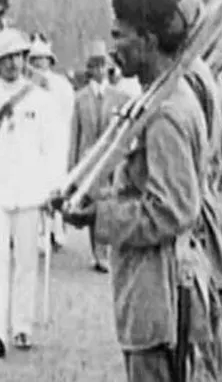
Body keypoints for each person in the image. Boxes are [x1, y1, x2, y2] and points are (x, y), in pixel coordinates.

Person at [63, 0, 208, 382]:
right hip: (150, 290)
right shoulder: (159, 98)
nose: (113, 47)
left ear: (146, 40)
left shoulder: (165, 114)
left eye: (119, 35)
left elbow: (173, 210)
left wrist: (99, 217)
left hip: (158, 294)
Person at [0, 28, 59, 357]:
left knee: (26, 261)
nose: (13, 64)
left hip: (30, 190)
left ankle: (22, 326)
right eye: (6, 59)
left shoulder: (40, 99)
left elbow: (52, 148)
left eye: (18, 56)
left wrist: (52, 187)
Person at [68, 40, 132, 273]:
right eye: (94, 65)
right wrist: (72, 169)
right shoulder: (80, 98)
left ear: (108, 68)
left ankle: (106, 251)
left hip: (111, 161)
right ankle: (98, 253)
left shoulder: (120, 97)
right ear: (89, 69)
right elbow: (75, 134)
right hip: (88, 162)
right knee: (92, 207)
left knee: (109, 204)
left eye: (102, 65)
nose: (98, 70)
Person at [28, 33, 75, 249]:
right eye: (35, 59)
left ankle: (57, 230)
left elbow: (66, 111)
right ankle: (37, 233)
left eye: (43, 58)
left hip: (55, 143)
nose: (39, 63)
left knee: (55, 186)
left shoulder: (61, 85)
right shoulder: (26, 86)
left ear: (50, 61)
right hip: (33, 145)